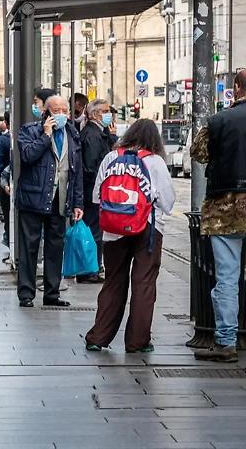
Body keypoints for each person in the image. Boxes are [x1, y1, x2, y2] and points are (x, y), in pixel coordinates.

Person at [191, 69, 246, 363]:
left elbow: (199, 152)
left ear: (237, 88)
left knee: (227, 278)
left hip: (223, 210)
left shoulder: (218, 121)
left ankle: (225, 343)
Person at [85, 119, 175, 353]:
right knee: (143, 284)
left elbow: (97, 196)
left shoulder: (111, 158)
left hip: (113, 229)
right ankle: (137, 341)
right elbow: (168, 203)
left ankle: (98, 337)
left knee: (113, 282)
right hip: (148, 229)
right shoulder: (155, 161)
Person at [16, 95, 83, 308]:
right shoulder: (29, 131)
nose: (61, 114)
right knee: (29, 247)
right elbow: (27, 156)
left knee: (56, 247)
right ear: (46, 112)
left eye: (65, 110)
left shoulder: (72, 134)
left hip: (60, 199)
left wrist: (77, 202)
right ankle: (26, 294)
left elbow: (76, 170)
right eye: (56, 110)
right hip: (33, 198)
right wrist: (45, 136)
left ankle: (52, 293)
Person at [77, 99, 117, 284]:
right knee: (93, 230)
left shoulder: (98, 133)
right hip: (92, 190)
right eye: (106, 111)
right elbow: (93, 165)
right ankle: (89, 270)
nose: (109, 115)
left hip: (93, 190)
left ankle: (91, 268)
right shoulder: (92, 135)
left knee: (95, 230)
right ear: (95, 115)